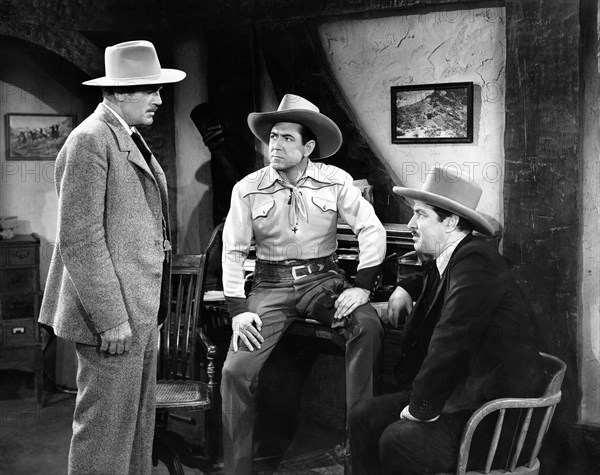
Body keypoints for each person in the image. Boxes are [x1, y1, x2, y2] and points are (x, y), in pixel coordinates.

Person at [39, 40, 185, 475]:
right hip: (113, 318)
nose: (159, 99)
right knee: (103, 439)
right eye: (150, 90)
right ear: (120, 92)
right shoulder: (89, 140)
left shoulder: (127, 136)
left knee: (135, 434)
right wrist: (111, 319)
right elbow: (79, 240)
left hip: (138, 310)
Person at [221, 94, 387, 474]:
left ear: (309, 147)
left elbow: (371, 228)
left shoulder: (335, 181)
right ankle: (237, 469)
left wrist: (362, 286)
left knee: (367, 326)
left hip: (323, 282)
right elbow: (232, 252)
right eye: (273, 137)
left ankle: (358, 455)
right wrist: (237, 311)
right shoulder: (247, 188)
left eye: (286, 139)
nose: (275, 146)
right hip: (269, 287)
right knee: (234, 371)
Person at [349, 166, 545, 475]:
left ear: (451, 222)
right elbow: (431, 275)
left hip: (494, 416)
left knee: (397, 439)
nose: (411, 224)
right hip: (463, 398)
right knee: (363, 416)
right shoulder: (455, 256)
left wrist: (421, 409)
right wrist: (405, 285)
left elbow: (452, 337)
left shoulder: (476, 261)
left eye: (421, 215)